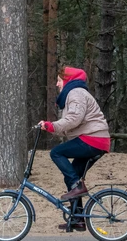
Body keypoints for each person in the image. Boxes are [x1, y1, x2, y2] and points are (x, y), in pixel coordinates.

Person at [38, 66, 111, 231]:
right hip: (95, 139)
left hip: (93, 139)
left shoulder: (75, 92)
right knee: (72, 176)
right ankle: (78, 219)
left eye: (58, 80)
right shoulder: (74, 93)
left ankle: (78, 188)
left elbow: (74, 119)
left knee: (56, 152)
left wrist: (52, 126)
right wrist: (51, 128)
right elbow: (70, 126)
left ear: (67, 79)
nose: (57, 84)